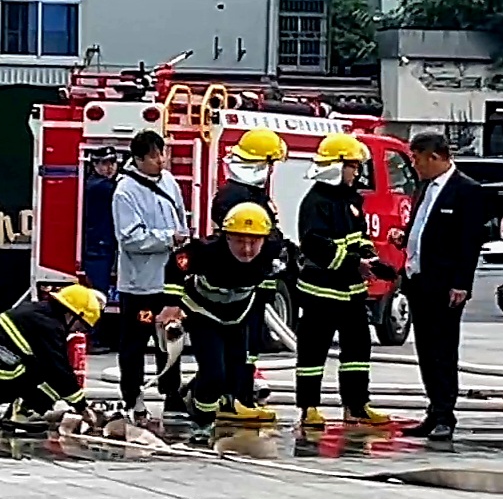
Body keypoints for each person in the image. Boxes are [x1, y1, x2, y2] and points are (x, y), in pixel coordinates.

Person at [296, 133, 394, 428]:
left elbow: (359, 236)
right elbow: (314, 244)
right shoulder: (316, 202)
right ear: (337, 166)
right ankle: (309, 408)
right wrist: (354, 264)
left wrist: (371, 258)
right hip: (321, 291)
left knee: (358, 351)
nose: (357, 172)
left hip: (351, 291)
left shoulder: (350, 199)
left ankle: (356, 406)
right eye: (353, 166)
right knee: (313, 352)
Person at [389, 134, 483, 441]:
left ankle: (445, 413)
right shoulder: (424, 188)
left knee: (443, 350)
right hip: (418, 279)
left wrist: (461, 282)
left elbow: (469, 241)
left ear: (435, 157)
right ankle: (433, 409)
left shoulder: (466, 190)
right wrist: (406, 239)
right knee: (426, 350)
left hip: (445, 284)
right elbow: (424, 226)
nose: (414, 166)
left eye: (417, 160)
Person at [159, 202, 280, 432]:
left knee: (236, 372)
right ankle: (202, 423)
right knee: (214, 372)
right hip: (203, 312)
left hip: (238, 315)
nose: (246, 249)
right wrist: (172, 304)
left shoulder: (272, 251)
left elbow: (267, 283)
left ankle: (204, 401)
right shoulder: (206, 251)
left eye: (253, 242)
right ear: (227, 237)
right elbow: (176, 265)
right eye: (239, 241)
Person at [112, 130, 189, 422]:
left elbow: (180, 216)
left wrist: (183, 240)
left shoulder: (169, 182)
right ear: (138, 159)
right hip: (140, 285)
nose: (161, 161)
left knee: (171, 339)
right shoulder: (125, 192)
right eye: (154, 156)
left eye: (162, 153)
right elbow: (130, 237)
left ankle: (172, 395)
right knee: (134, 344)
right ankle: (133, 398)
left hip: (169, 283)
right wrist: (169, 238)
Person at [209, 127, 287, 401]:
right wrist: (274, 244)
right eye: (270, 163)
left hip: (255, 278)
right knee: (240, 343)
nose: (272, 170)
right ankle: (236, 397)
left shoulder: (250, 194)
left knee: (250, 343)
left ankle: (242, 394)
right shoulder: (236, 197)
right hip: (241, 281)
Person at [0, 284, 103, 431]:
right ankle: (22, 414)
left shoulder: (32, 311)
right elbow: (58, 371)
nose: (78, 331)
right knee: (52, 378)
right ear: (72, 314)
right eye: (81, 326)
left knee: (28, 361)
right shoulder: (49, 326)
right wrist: (81, 407)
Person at [81, 146, 119, 302]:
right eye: (104, 163)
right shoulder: (97, 186)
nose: (110, 167)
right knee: (98, 298)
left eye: (112, 162)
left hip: (107, 246)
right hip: (97, 250)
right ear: (94, 165)